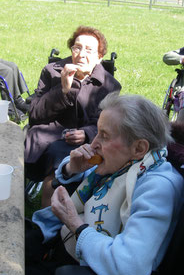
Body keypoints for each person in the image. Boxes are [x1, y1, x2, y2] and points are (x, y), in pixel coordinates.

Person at [25, 93, 184, 275]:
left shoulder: (156, 188)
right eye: (97, 132)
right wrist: (72, 169)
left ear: (139, 147)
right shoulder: (126, 166)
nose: (93, 144)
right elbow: (84, 184)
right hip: (59, 251)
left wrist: (76, 225)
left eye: (104, 136)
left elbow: (126, 267)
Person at [24, 25, 121, 207]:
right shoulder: (52, 71)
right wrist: (63, 90)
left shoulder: (110, 85)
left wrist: (86, 133)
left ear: (99, 57)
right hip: (46, 134)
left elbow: (107, 123)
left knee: (60, 164)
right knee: (44, 158)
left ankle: (52, 220)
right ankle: (46, 219)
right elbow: (35, 115)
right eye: (77, 47)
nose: (81, 54)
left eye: (89, 50)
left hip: (83, 142)